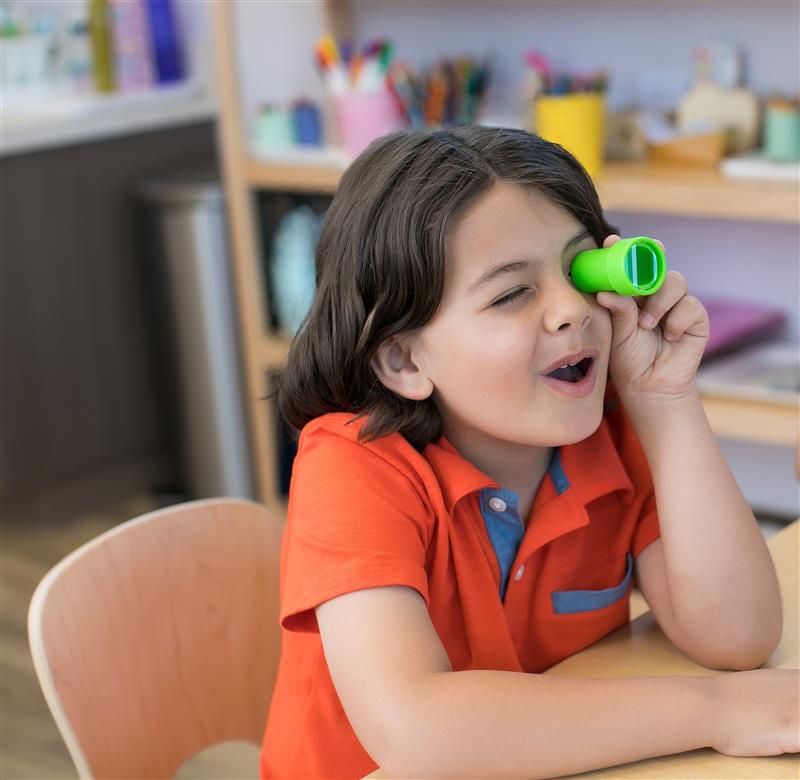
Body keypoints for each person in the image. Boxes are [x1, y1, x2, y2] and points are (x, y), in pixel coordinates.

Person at [259, 126, 797, 779]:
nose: (571, 308)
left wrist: (666, 401)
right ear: (403, 358)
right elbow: (418, 729)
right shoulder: (353, 465)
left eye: (579, 271)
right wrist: (715, 710)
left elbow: (738, 637)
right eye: (513, 293)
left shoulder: (617, 433)